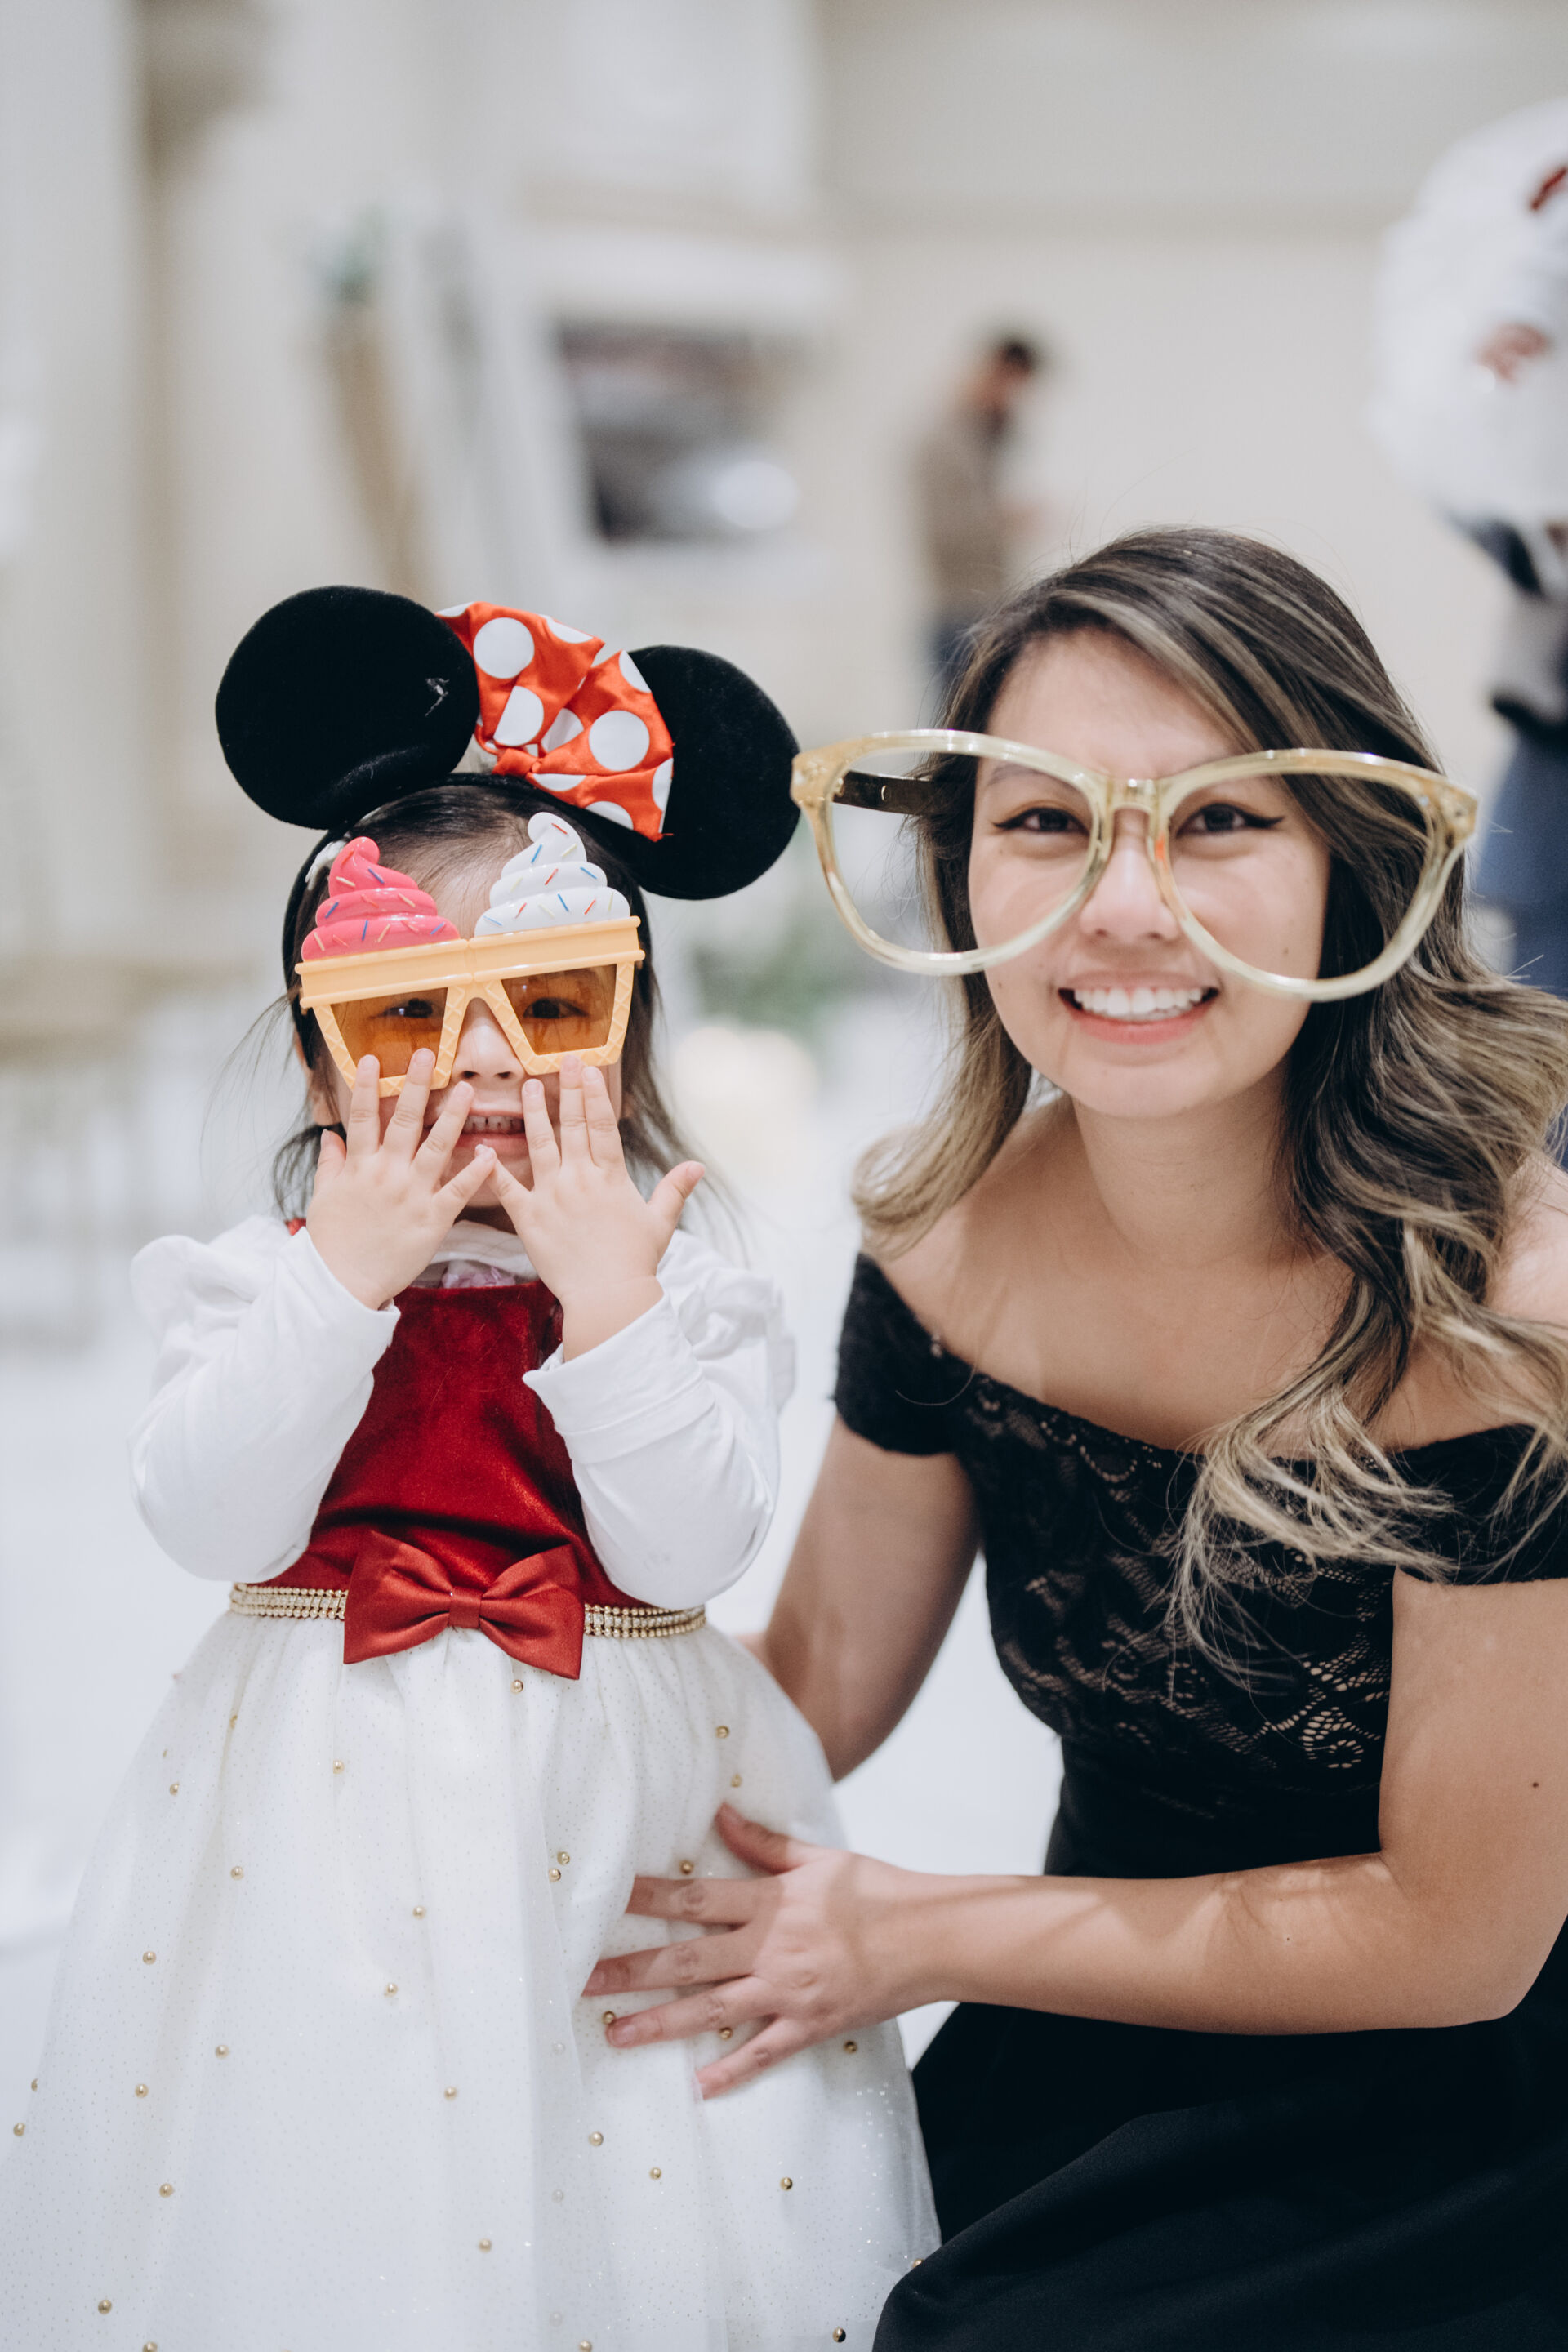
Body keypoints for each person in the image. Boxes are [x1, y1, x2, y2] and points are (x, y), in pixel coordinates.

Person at [581, 529, 1568, 2348]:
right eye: (1045, 821)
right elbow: (810, 1690)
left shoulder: (1502, 1314)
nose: (1123, 907)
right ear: (960, 869)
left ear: (1351, 864)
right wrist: (463, 1693)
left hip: (1477, 2083)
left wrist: (912, 1933)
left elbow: (1459, 1936)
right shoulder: (944, 1242)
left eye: (1220, 820)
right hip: (1106, 2016)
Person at [0, 587, 934, 2350]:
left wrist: (614, 1312)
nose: (486, 1064)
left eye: (550, 1006)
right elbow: (207, 1515)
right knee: (336, 2190)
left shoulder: (677, 1284)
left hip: (622, 1808)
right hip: (315, 1813)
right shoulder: (262, 1278)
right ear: (317, 1057)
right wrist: (337, 1286)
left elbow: (691, 1551)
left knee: (645, 2174)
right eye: (408, 1016)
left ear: (627, 1041)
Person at [914, 333, 1046, 699]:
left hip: (984, 607)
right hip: (960, 611)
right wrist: (1007, 520)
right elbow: (948, 532)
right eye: (1013, 387)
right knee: (959, 723)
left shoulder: (981, 438)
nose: (1015, 400)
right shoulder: (946, 441)